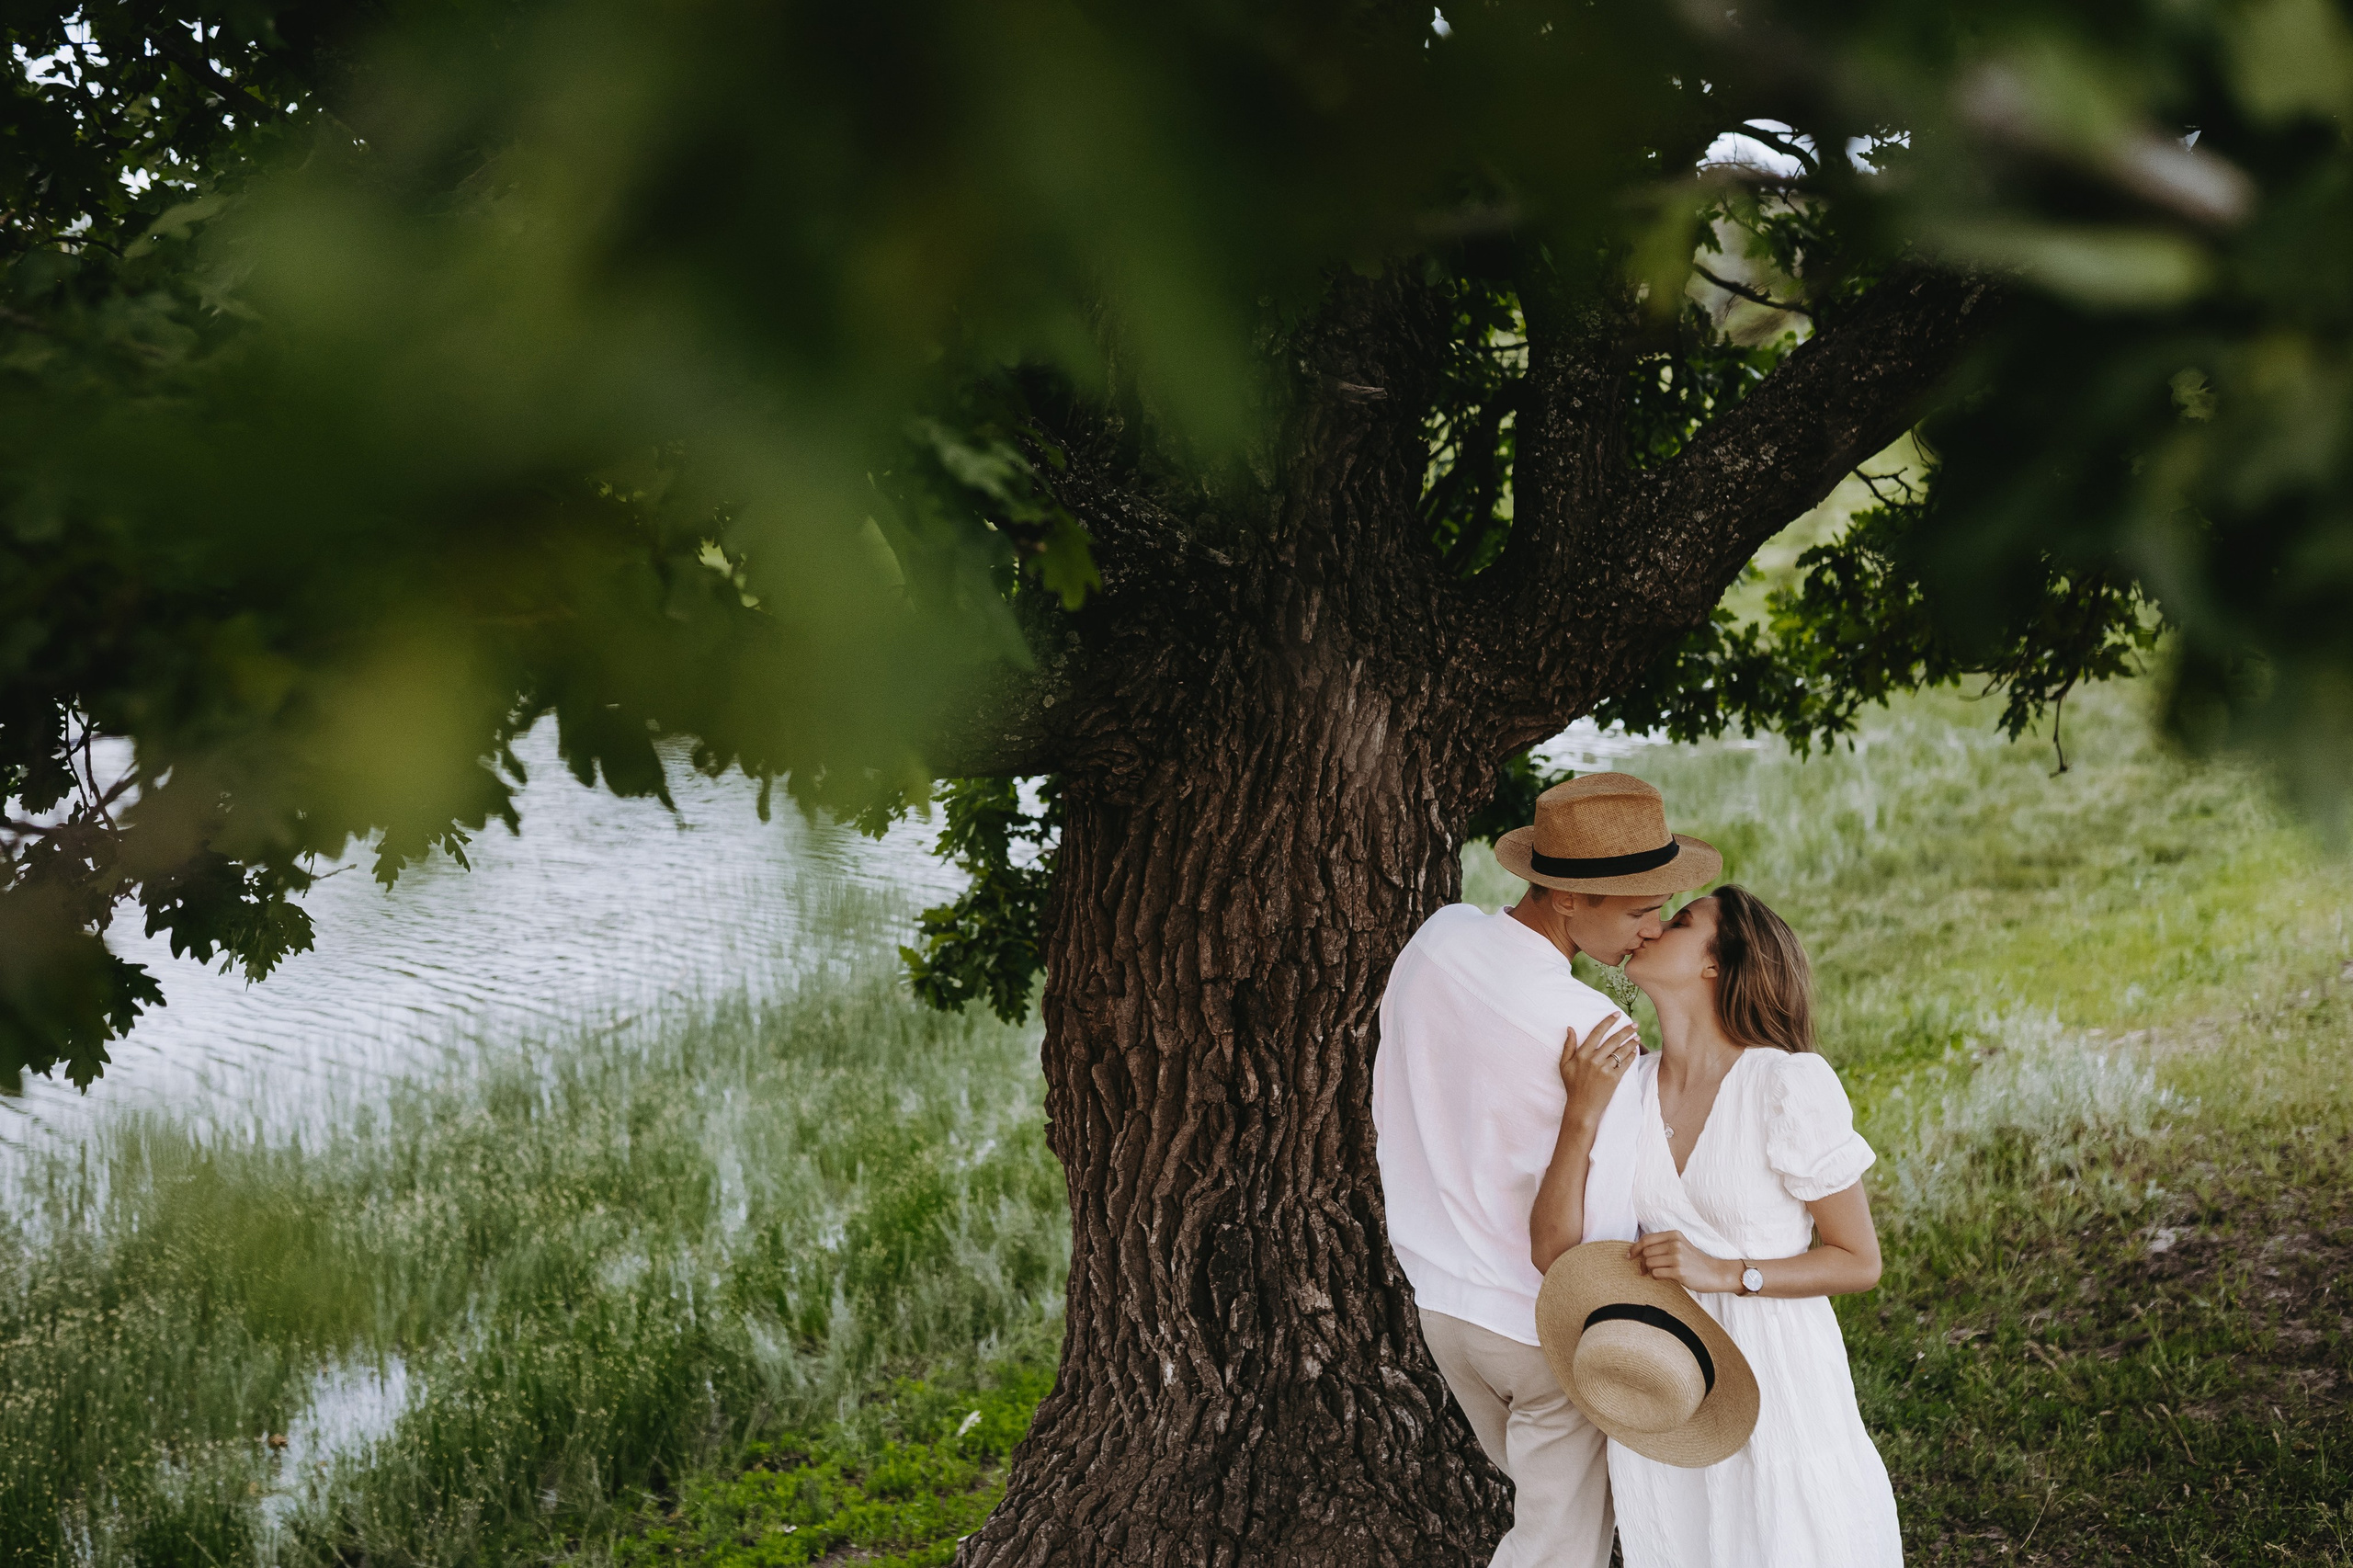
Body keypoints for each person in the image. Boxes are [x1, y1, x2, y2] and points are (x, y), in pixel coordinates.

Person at [1372, 773, 1722, 1568]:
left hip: (1446, 1311)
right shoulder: (1591, 1029)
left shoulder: (1439, 940)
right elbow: (1583, 1248)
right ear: (1568, 899)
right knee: (1558, 1554)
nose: (1653, 928)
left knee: (1548, 1531)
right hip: (1539, 1329)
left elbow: (1390, 1098)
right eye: (1638, 909)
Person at [1530, 884, 1904, 1568]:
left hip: (1776, 1363)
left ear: (1716, 964)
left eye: (1678, 921)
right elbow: (1556, 1252)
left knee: (1790, 1537)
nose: (1649, 930)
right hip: (1666, 1367)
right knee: (1688, 1540)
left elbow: (1859, 1259)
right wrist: (1580, 1116)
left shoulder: (1786, 1084)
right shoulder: (1625, 1088)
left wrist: (1728, 1273)